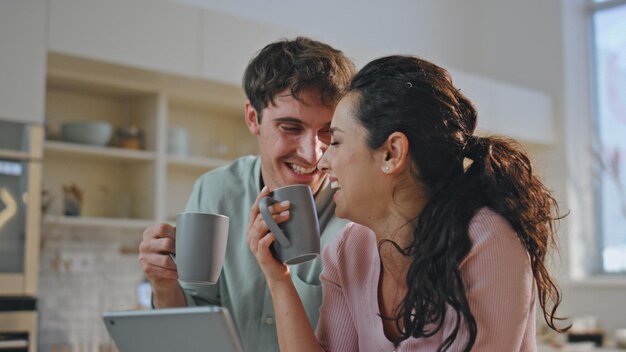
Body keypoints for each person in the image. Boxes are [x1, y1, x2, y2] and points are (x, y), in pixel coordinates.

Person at [248, 55, 569, 351]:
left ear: (392, 153)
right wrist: (279, 279)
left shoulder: (487, 241)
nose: (322, 162)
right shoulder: (349, 249)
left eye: (337, 142)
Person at [138, 37, 356, 352]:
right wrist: (163, 284)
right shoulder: (214, 190)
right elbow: (190, 322)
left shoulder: (356, 210)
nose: (314, 154)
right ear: (253, 118)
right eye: (291, 128)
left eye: (327, 132)